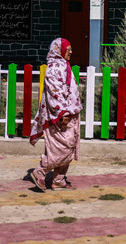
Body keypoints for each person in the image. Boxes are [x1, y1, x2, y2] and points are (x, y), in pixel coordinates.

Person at [30, 38, 82, 191]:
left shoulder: (64, 65)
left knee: (69, 146)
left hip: (70, 113)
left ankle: (58, 180)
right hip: (59, 115)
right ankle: (40, 172)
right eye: (68, 49)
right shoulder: (54, 68)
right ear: (59, 50)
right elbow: (55, 92)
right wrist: (63, 112)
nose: (71, 52)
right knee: (62, 148)